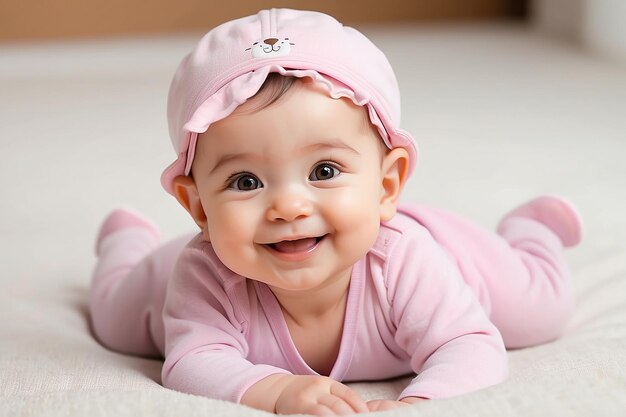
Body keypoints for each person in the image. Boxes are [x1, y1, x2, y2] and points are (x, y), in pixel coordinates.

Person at [89, 8, 583, 415]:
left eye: (324, 171)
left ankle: (531, 230)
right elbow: (192, 361)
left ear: (387, 184)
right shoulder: (206, 274)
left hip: (453, 256)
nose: (287, 206)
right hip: (207, 258)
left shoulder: (405, 262)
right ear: (197, 204)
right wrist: (278, 392)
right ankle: (125, 240)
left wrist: (421, 401)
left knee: (541, 310)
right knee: (115, 320)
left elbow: (469, 347)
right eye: (245, 182)